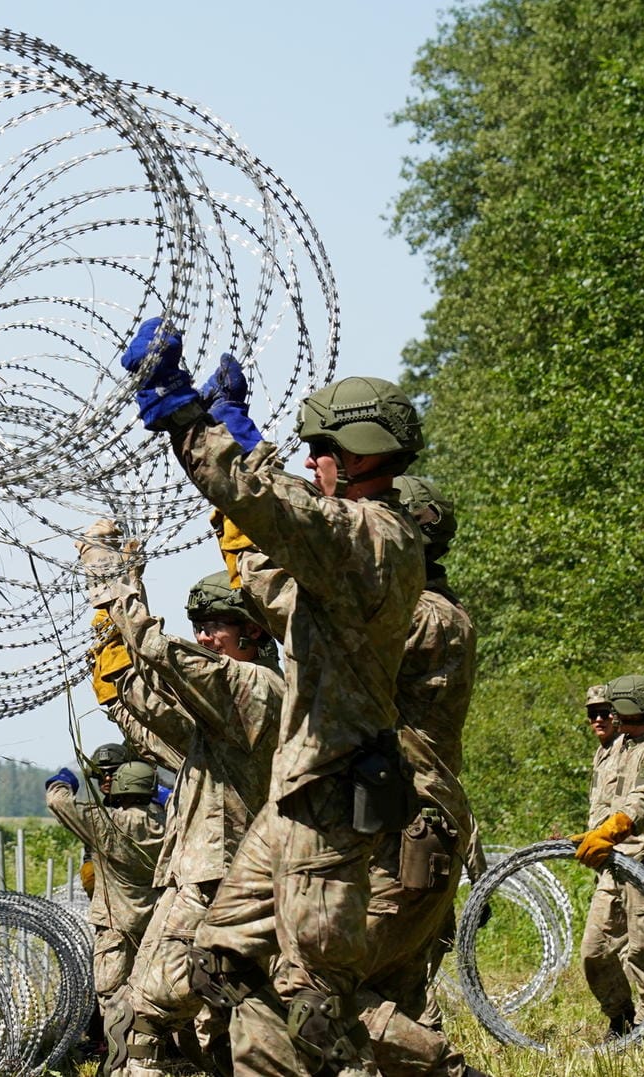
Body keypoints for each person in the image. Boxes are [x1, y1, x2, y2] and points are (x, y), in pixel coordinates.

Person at [117, 319, 426, 1074]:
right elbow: (271, 557)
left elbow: (274, 507)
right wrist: (236, 438)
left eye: (322, 450)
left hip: (332, 797)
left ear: (361, 456)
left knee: (317, 998)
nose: (313, 462)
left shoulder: (372, 537)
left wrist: (189, 419)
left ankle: (435, 1066)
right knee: (223, 962)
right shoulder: (350, 548)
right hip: (296, 797)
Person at [78, 536, 281, 1077]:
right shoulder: (220, 711)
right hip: (200, 877)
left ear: (254, 631)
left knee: (154, 1013)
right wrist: (110, 636)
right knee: (172, 1018)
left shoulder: (255, 688)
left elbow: (162, 653)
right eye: (199, 626)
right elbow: (149, 698)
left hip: (223, 881)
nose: (204, 637)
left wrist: (116, 585)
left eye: (215, 626)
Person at [353, 475, 487, 1077]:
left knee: (318, 983)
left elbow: (330, 637)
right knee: (397, 993)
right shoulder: (430, 609)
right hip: (405, 816)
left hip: (401, 822)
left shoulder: (424, 616)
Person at [576, 674, 644, 1035]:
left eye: (611, 709)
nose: (605, 717)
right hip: (614, 865)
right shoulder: (619, 747)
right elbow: (607, 801)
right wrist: (591, 836)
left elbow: (642, 803)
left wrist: (610, 831)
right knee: (595, 950)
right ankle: (620, 1019)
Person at [47, 756, 167, 1024]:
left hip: (116, 927)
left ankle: (121, 1060)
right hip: (158, 926)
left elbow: (58, 802)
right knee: (156, 994)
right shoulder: (172, 822)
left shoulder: (108, 823)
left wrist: (63, 781)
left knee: (113, 999)